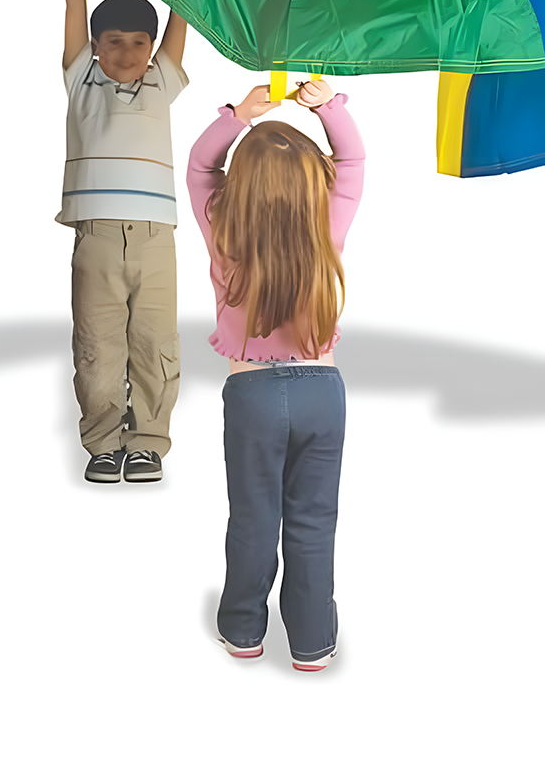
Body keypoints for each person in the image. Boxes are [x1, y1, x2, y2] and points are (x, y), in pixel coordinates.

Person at [187, 79, 364, 671]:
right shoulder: (327, 223)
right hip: (322, 392)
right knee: (314, 522)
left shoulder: (223, 226)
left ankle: (243, 630)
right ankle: (312, 640)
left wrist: (241, 114)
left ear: (241, 190)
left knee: (254, 516)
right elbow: (354, 159)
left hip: (252, 394)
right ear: (318, 183)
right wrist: (328, 109)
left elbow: (198, 166)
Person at [59, 0, 189, 483]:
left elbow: (185, 9)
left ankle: (148, 442)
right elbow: (73, 4)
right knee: (97, 344)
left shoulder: (162, 79)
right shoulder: (82, 81)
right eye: (114, 42)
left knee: (156, 342)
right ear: (94, 45)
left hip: (158, 238)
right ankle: (103, 442)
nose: (129, 54)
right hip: (98, 237)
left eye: (141, 43)